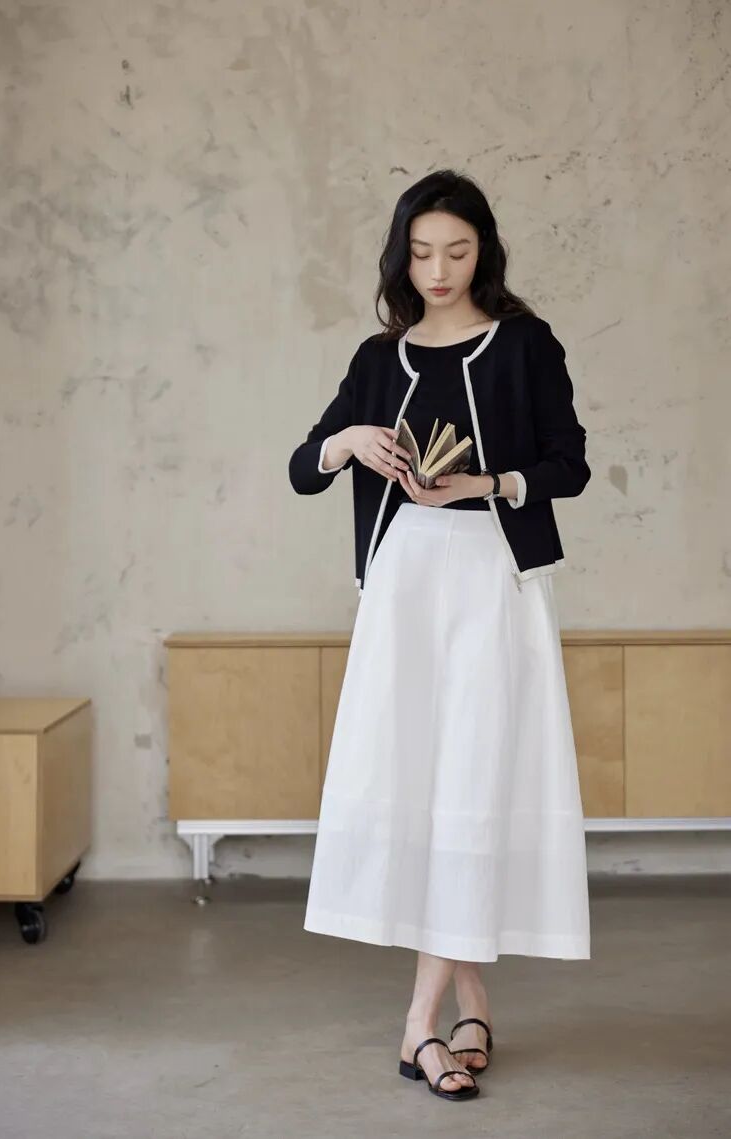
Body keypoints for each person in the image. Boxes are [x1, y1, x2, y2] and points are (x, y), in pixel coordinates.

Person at [288, 169, 592, 1103]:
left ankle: (417, 1024)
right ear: (402, 257)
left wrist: (487, 482)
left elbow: (570, 465)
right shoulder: (379, 359)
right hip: (404, 587)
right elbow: (304, 465)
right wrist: (350, 442)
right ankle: (471, 1003)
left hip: (493, 578)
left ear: (483, 251)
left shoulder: (525, 343)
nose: (439, 270)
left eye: (456, 251)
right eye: (421, 253)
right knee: (426, 783)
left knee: (472, 780)